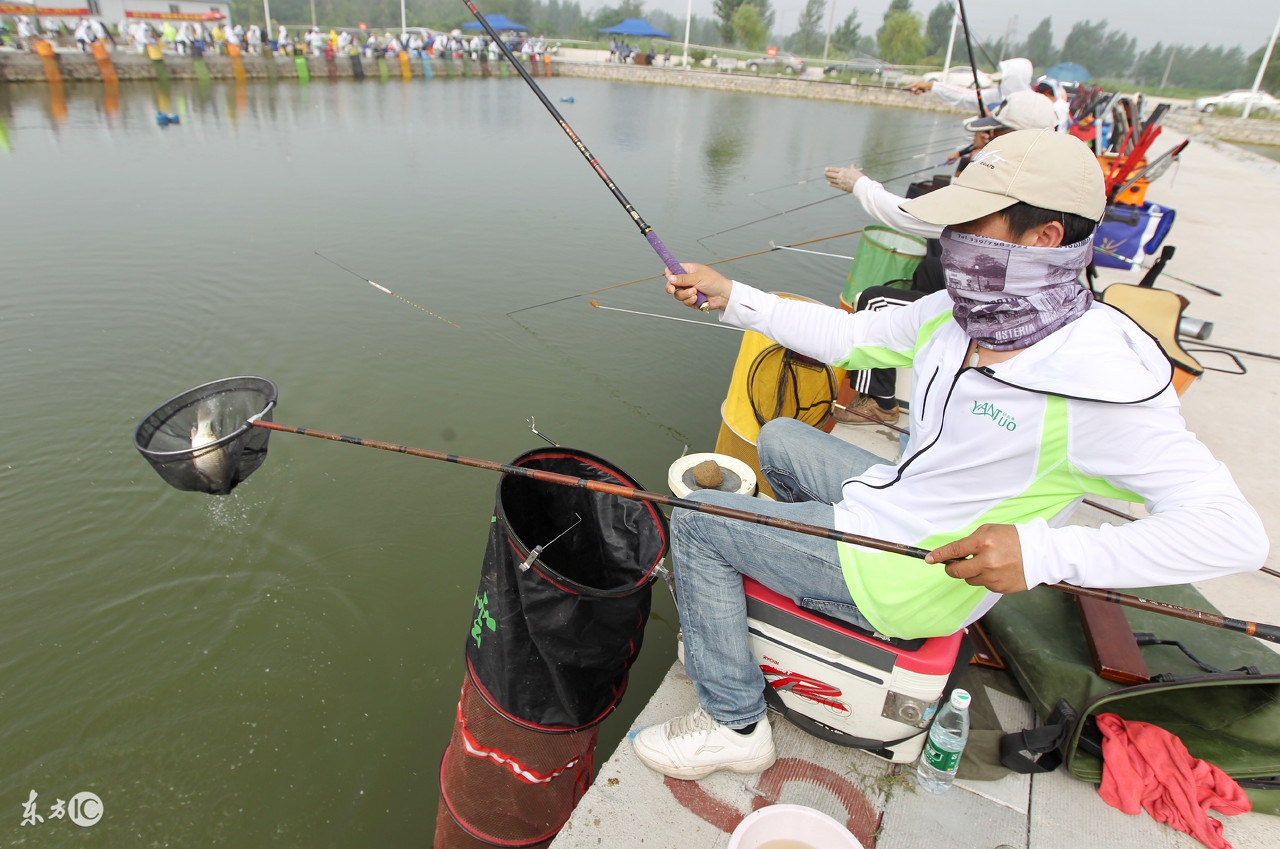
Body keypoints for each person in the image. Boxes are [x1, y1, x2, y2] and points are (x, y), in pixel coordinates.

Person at [632, 128, 1268, 781]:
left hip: (920, 574)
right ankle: (813, 583)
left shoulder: (1099, 384)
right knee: (780, 440)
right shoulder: (963, 311)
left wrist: (1046, 552)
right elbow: (853, 336)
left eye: (969, 222)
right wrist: (734, 297)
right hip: (897, 503)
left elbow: (1233, 533)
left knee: (701, 522)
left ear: (1043, 238)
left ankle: (732, 722)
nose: (948, 240)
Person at [823, 90, 1059, 425]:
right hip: (1009, 286)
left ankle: (882, 401)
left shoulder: (1008, 188)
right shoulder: (1045, 174)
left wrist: (860, 184)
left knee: (873, 301)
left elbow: (911, 217)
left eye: (997, 133)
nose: (989, 139)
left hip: (1001, 309)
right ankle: (917, 351)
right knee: (930, 270)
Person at [906, 57, 1033, 115]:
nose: (999, 82)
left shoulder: (1036, 105)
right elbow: (965, 96)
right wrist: (931, 86)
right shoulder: (996, 95)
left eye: (1003, 79)